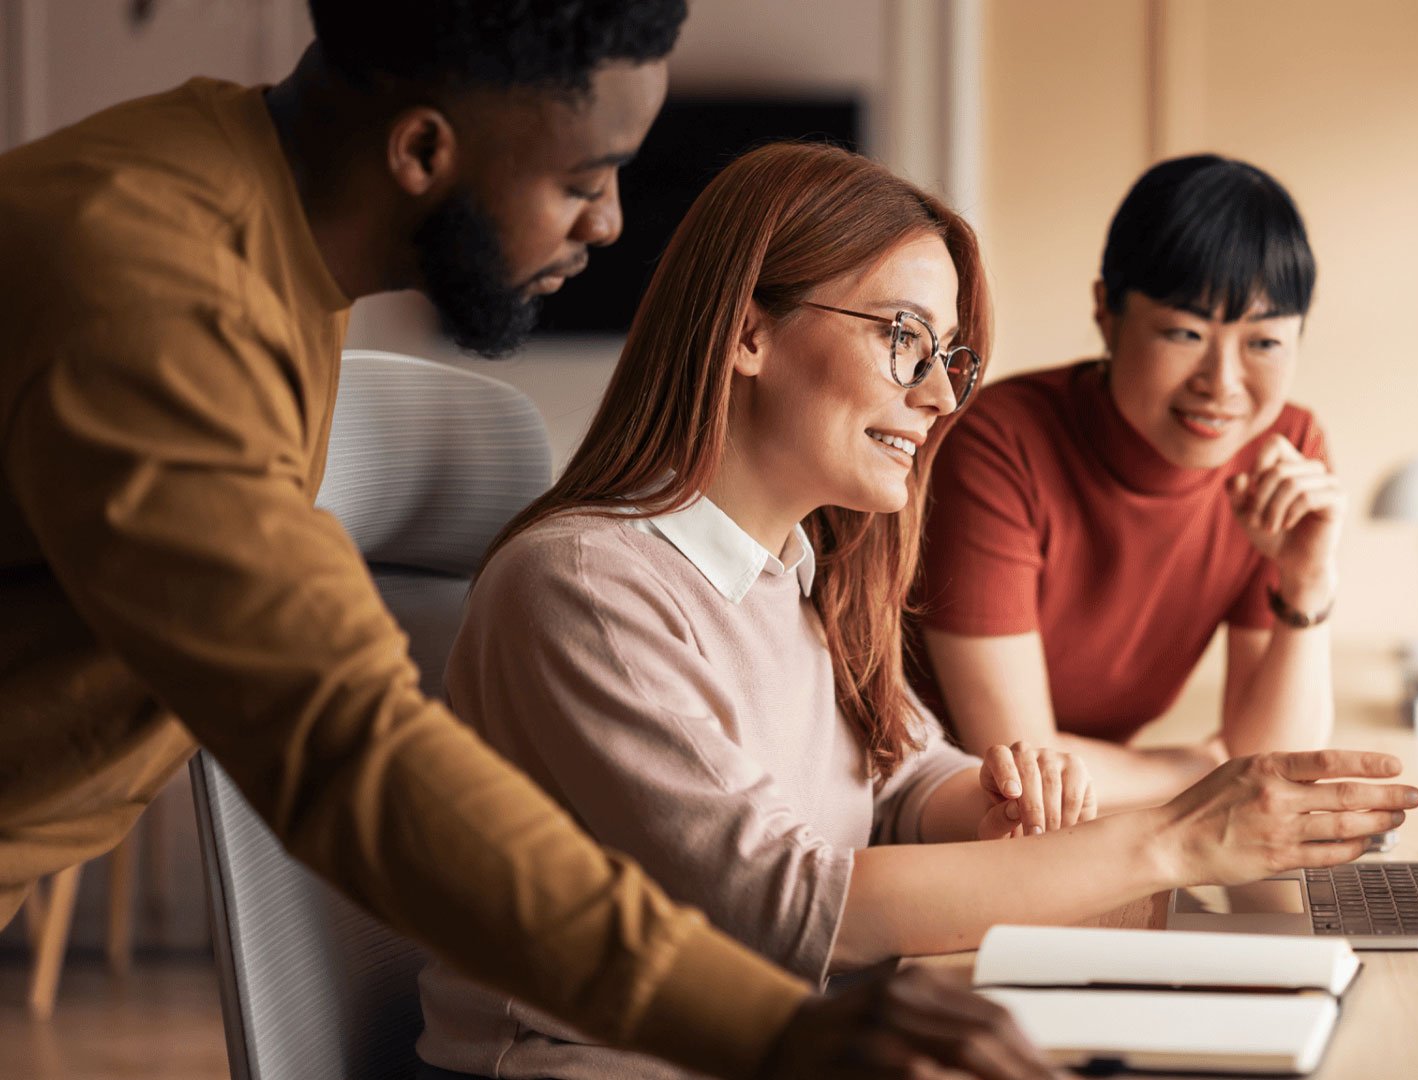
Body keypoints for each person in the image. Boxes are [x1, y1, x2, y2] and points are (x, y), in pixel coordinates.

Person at [0, 4, 1056, 1078]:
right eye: (582, 181)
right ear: (421, 149)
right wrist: (775, 1026)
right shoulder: (161, 297)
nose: (608, 226)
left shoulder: (259, 237)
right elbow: (342, 748)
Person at [415, 140, 1418, 1080]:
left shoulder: (799, 565)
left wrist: (983, 800)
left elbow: (898, 773)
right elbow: (782, 904)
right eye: (905, 339)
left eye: (950, 355)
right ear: (748, 330)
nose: (942, 396)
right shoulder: (589, 586)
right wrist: (1172, 835)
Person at [914, 154, 1343, 812]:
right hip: (935, 808)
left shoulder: (1284, 454)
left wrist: (1307, 580)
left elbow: (1276, 765)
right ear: (1106, 313)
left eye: (1263, 343)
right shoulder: (999, 444)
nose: (1222, 384)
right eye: (1184, 332)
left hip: (1088, 817)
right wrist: (1208, 767)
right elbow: (1024, 769)